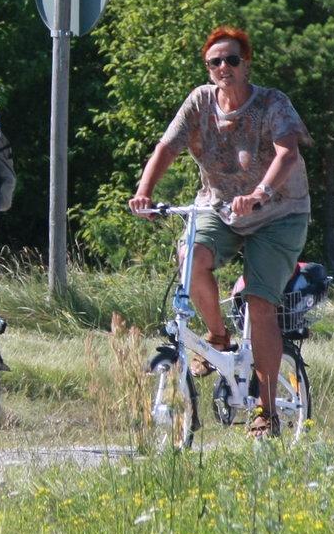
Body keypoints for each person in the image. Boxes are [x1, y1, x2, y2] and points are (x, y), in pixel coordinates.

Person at [127, 25, 311, 437]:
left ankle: (266, 411)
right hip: (220, 208)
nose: (223, 67)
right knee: (191, 259)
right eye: (215, 62)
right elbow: (166, 148)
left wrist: (261, 192)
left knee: (261, 302)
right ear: (207, 68)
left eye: (231, 60)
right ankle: (217, 336)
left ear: (246, 64)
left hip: (278, 212)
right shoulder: (199, 102)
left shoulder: (271, 104)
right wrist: (144, 194)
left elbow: (287, 152)